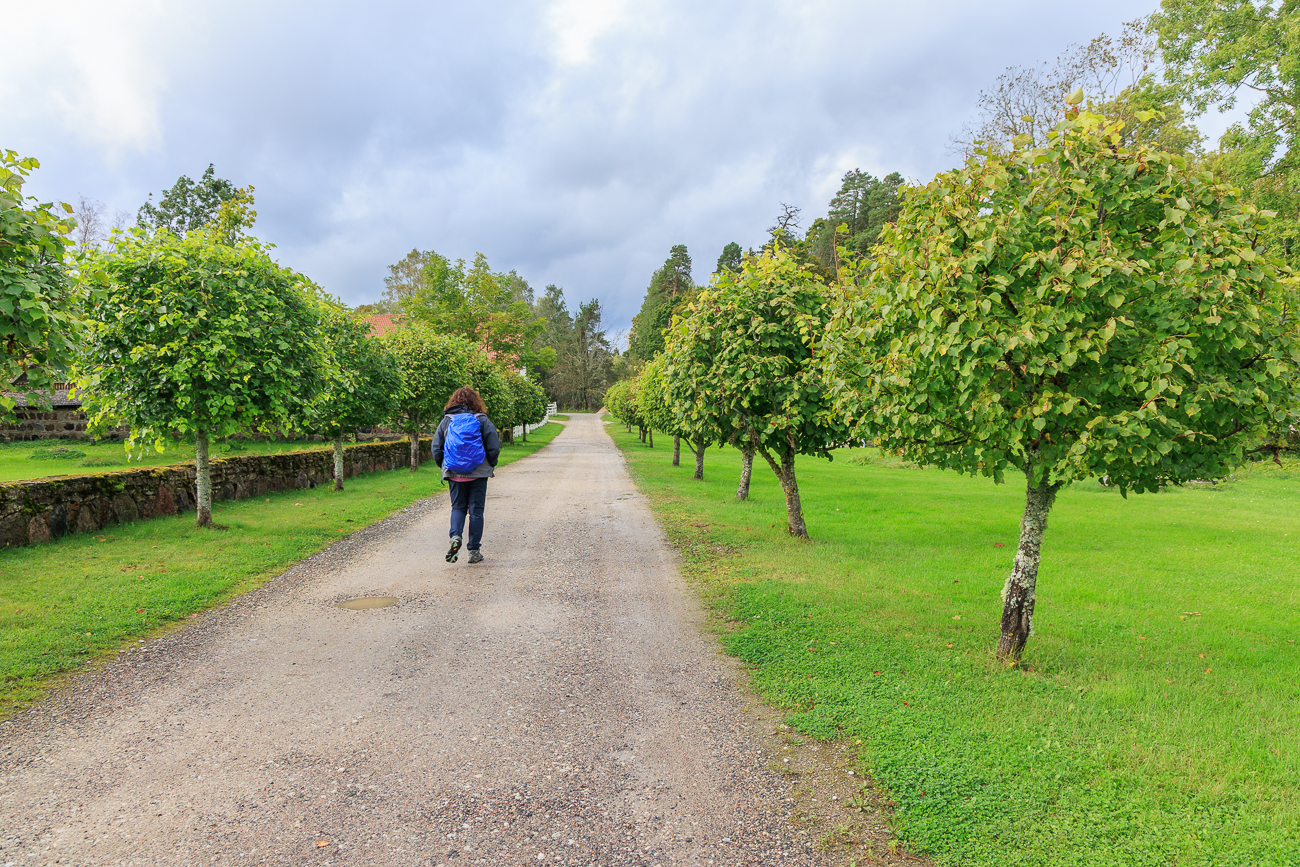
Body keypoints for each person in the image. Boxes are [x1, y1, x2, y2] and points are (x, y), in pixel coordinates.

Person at [431, 386, 501, 564]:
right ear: (476, 401)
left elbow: (436, 447)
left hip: (454, 473)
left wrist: (445, 466)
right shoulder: (482, 419)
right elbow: (493, 445)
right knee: (476, 511)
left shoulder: (447, 420)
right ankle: (474, 551)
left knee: (458, 507)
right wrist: (490, 464)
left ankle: (455, 537)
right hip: (478, 473)